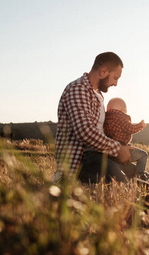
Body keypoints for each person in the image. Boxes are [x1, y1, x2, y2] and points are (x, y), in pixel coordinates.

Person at [53, 52, 133, 184]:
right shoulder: (78, 89)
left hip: (98, 157)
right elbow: (85, 131)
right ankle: (61, 180)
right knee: (123, 183)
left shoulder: (98, 95)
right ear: (103, 71)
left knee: (136, 174)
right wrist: (118, 149)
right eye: (115, 78)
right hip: (80, 163)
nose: (116, 83)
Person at [104, 97, 149, 183]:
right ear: (123, 110)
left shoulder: (106, 119)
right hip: (122, 150)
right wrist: (140, 125)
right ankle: (140, 175)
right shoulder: (121, 117)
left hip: (111, 151)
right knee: (143, 155)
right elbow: (130, 128)